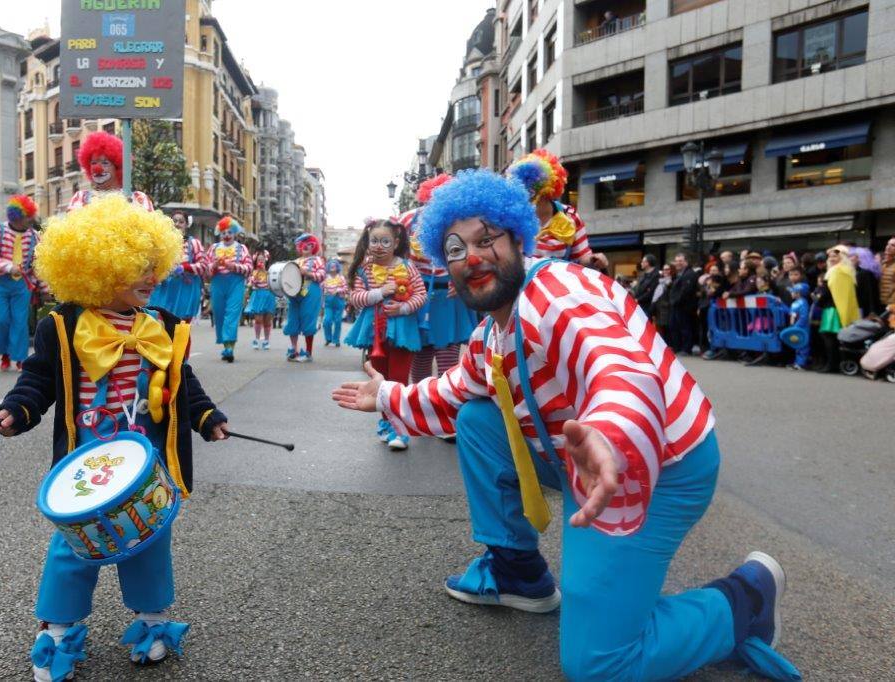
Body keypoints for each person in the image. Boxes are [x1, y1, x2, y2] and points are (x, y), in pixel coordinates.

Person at [331, 170, 797, 682]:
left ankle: (744, 601)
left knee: (600, 664)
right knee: (478, 418)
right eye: (456, 249)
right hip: (575, 457)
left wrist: (610, 434)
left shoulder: (557, 291)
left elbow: (616, 363)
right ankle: (518, 573)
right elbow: (453, 390)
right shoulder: (492, 331)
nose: (475, 258)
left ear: (515, 236)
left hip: (655, 465)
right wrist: (388, 396)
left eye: (487, 239)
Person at [0, 193, 228, 681]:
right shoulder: (62, 325)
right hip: (88, 460)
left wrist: (205, 417)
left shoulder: (162, 324)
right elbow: (38, 379)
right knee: (75, 547)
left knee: (149, 540)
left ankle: (152, 624)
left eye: (152, 264)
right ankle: (58, 633)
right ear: (97, 268)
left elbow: (184, 383)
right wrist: (18, 408)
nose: (150, 276)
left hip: (147, 462)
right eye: (135, 267)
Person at [344, 218, 426, 451]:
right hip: (375, 332)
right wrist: (379, 293)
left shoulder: (408, 267)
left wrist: (403, 308)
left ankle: (401, 430)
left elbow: (421, 295)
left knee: (398, 380)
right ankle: (387, 421)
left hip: (402, 331)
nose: (379, 245)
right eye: (374, 241)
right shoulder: (365, 269)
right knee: (380, 380)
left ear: (396, 242)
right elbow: (356, 297)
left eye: (385, 241)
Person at [403, 174, 477, 388]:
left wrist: (463, 277)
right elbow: (396, 253)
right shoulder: (409, 220)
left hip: (451, 296)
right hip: (418, 294)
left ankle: (445, 406)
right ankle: (421, 405)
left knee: (449, 355)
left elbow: (474, 251)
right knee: (421, 354)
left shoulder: (463, 220)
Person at [505, 149, 607, 270]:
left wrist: (594, 260)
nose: (526, 198)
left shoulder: (570, 216)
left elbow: (582, 256)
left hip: (556, 284)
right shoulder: (512, 218)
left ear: (547, 191)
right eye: (522, 193)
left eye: (532, 193)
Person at [0, 196, 40, 371]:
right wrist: (8, 267)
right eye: (27, 217)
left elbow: (39, 263)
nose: (30, 221)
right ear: (17, 217)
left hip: (22, 284)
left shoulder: (35, 237)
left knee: (20, 321)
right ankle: (4, 352)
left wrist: (43, 287)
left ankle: (20, 358)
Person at [67, 131, 154, 211]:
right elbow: (72, 225)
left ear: (117, 167)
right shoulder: (81, 198)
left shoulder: (138, 199)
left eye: (105, 163)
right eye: (93, 163)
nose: (97, 168)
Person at [206, 216, 252, 362]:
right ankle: (225, 345)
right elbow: (206, 268)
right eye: (224, 233)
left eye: (229, 232)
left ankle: (230, 348)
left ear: (234, 233)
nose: (226, 235)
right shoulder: (214, 248)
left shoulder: (241, 248)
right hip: (218, 283)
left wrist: (233, 266)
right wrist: (213, 266)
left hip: (236, 284)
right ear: (220, 233)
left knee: (232, 314)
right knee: (219, 314)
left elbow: (249, 268)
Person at [148, 210, 207, 321]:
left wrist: (184, 268)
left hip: (186, 290)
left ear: (186, 225)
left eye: (181, 221)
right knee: (160, 322)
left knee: (181, 326)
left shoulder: (194, 243)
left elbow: (203, 265)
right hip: (165, 289)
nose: (177, 224)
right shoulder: (162, 242)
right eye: (174, 221)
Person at [284, 233, 326, 362]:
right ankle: (294, 349)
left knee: (308, 319)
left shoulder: (318, 260)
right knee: (292, 320)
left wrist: (307, 273)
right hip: (294, 293)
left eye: (310, 244)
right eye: (303, 244)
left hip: (310, 290)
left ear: (314, 246)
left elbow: (322, 275)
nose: (306, 246)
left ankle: (308, 352)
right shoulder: (295, 262)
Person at [818, 245, 860, 373]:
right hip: (839, 308)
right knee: (836, 337)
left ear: (842, 257)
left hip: (832, 309)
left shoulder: (835, 271)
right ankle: (836, 363)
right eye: (830, 256)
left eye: (835, 256)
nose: (831, 258)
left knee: (828, 336)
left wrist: (818, 299)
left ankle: (832, 364)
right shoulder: (848, 271)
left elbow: (827, 292)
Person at [668, 252, 700, 354]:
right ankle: (678, 347)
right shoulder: (679, 274)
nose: (678, 263)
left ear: (686, 262)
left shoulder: (690, 274)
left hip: (684, 307)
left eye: (680, 261)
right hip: (677, 306)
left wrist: (675, 301)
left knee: (685, 327)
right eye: (676, 261)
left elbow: (685, 291)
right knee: (675, 327)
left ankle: (686, 348)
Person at [245, 249, 276, 350]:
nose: (261, 262)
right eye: (259, 260)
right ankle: (256, 339)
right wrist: (257, 274)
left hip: (269, 295)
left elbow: (274, 283)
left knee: (267, 321)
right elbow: (250, 283)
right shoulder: (254, 272)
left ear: (266, 260)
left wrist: (265, 272)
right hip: (258, 295)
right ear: (256, 261)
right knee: (258, 319)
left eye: (263, 260)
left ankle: (266, 340)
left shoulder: (271, 272)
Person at [321, 258, 348, 347]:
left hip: (339, 301)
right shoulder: (325, 278)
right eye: (331, 265)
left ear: (337, 267)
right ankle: (328, 338)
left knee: (338, 321)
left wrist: (337, 290)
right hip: (328, 302)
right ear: (328, 267)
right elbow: (321, 288)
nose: (333, 266)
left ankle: (336, 340)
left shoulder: (341, 278)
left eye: (335, 265)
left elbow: (346, 288)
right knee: (327, 321)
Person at [849, 246, 881, 317]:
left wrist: (872, 312)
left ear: (860, 258)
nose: (849, 258)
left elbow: (870, 295)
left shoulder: (865, 274)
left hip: (862, 311)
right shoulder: (855, 272)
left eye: (852, 256)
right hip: (856, 309)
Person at [787, 283, 812, 371]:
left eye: (793, 292)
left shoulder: (803, 303)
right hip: (796, 327)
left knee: (803, 345)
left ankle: (802, 364)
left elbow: (804, 317)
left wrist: (796, 326)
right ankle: (797, 362)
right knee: (797, 345)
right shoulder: (796, 302)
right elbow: (790, 313)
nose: (791, 293)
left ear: (799, 293)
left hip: (802, 328)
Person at [652, 263, 674, 341]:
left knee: (668, 329)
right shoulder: (659, 282)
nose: (665, 271)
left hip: (667, 309)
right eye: (664, 269)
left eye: (667, 269)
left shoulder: (673, 281)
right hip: (659, 309)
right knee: (660, 329)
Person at [881, 237, 895, 309]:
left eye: (893, 245)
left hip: (891, 306)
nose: (888, 247)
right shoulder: (883, 264)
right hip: (881, 304)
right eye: (888, 244)